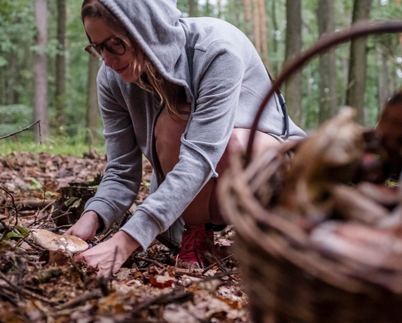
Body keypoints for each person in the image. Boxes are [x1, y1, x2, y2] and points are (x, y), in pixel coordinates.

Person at [66, 0, 306, 276]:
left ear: (145, 30)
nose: (107, 59)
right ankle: (196, 234)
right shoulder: (111, 79)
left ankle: (270, 233)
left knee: (195, 128)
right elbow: (121, 170)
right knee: (173, 126)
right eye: (97, 47)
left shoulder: (216, 50)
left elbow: (200, 157)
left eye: (114, 44)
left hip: (266, 169)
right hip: (200, 196)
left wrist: (127, 240)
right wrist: (93, 216)